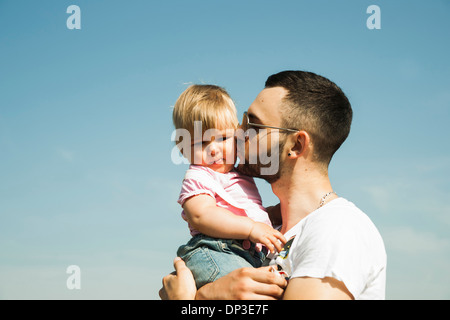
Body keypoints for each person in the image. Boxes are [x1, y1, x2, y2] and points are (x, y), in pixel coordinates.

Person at [160, 71, 387, 300]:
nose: (240, 133)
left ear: (296, 145)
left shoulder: (337, 229)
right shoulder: (276, 231)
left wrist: (196, 300)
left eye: (254, 126)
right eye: (243, 121)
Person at [171, 84, 286, 289]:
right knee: (252, 291)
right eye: (201, 143)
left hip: (247, 253)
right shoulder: (197, 177)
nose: (214, 149)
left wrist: (274, 215)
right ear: (183, 148)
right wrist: (251, 228)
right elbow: (202, 215)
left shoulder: (239, 175)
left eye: (223, 138)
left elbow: (242, 210)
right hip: (216, 250)